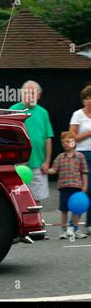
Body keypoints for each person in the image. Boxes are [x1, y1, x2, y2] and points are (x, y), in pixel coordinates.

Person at [9, 81, 54, 204]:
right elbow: (7, 138)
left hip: (39, 164)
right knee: (17, 199)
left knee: (36, 199)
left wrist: (47, 161)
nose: (30, 96)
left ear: (39, 95)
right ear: (22, 94)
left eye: (33, 93)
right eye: (27, 93)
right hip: (19, 164)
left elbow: (48, 139)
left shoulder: (43, 113)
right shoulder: (12, 110)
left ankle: (36, 222)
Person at [48, 132, 88, 239]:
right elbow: (54, 169)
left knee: (75, 210)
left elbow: (84, 172)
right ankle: (64, 230)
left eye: (68, 141)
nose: (65, 144)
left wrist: (85, 185)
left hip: (76, 187)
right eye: (63, 142)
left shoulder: (80, 157)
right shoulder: (60, 157)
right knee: (64, 210)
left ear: (74, 143)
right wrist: (46, 170)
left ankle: (75, 229)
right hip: (64, 187)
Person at [69, 85, 91, 235]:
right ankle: (72, 226)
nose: (89, 101)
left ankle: (89, 225)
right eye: (86, 98)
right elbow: (72, 138)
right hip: (81, 156)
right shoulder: (77, 115)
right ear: (83, 100)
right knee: (83, 190)